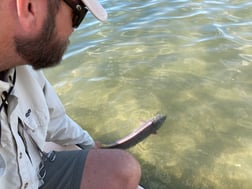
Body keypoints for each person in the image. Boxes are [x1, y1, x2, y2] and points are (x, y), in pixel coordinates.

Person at [0, 0, 143, 188]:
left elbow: (54, 119)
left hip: (33, 175)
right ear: (29, 6)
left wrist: (89, 145)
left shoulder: (26, 71)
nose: (74, 29)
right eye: (78, 15)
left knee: (122, 167)